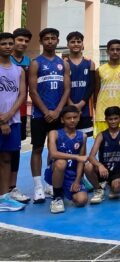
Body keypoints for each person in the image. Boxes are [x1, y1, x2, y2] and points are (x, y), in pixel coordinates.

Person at [29, 27, 71, 204]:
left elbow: (67, 89)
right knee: (38, 148)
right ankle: (38, 187)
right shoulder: (36, 63)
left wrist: (58, 111)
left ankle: (50, 182)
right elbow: (33, 91)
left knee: (55, 149)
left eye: (53, 38)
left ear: (57, 41)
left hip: (58, 114)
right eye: (46, 38)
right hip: (40, 114)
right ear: (41, 41)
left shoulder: (64, 64)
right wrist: (46, 112)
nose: (50, 41)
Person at [0, 32, 27, 211]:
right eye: (4, 44)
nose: (8, 46)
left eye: (10, 43)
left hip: (14, 120)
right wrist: (2, 121)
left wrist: (9, 116)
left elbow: (22, 94)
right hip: (2, 121)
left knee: (6, 158)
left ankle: (4, 197)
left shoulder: (19, 70)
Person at [44, 105, 87, 214]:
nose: (72, 120)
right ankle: (57, 197)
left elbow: (81, 161)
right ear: (62, 120)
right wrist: (76, 156)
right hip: (55, 171)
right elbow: (53, 154)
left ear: (78, 118)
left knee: (82, 200)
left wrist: (77, 180)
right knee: (61, 162)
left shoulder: (82, 136)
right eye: (68, 118)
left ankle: (63, 190)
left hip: (71, 175)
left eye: (75, 117)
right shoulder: (54, 133)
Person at [84, 106, 120, 204]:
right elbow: (91, 156)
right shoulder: (101, 135)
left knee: (116, 190)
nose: (113, 121)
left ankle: (110, 184)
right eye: (110, 119)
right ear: (106, 120)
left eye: (115, 118)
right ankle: (98, 189)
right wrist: (99, 165)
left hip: (117, 172)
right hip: (103, 170)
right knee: (88, 167)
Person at [8, 28, 32, 204]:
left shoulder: (27, 62)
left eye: (26, 41)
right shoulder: (4, 59)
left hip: (20, 112)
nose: (22, 43)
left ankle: (12, 187)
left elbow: (26, 89)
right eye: (19, 40)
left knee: (15, 150)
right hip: (3, 112)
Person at [94, 39, 120, 136]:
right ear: (107, 51)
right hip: (102, 113)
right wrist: (95, 107)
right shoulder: (99, 70)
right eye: (112, 49)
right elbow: (96, 92)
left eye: (118, 49)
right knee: (101, 141)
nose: (115, 52)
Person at [65, 31, 95, 137]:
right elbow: (62, 87)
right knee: (68, 139)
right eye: (73, 42)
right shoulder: (63, 63)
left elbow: (91, 86)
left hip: (86, 109)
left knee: (87, 140)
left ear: (82, 44)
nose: (76, 44)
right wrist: (71, 105)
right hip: (67, 109)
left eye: (78, 41)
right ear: (67, 45)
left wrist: (81, 104)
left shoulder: (90, 63)